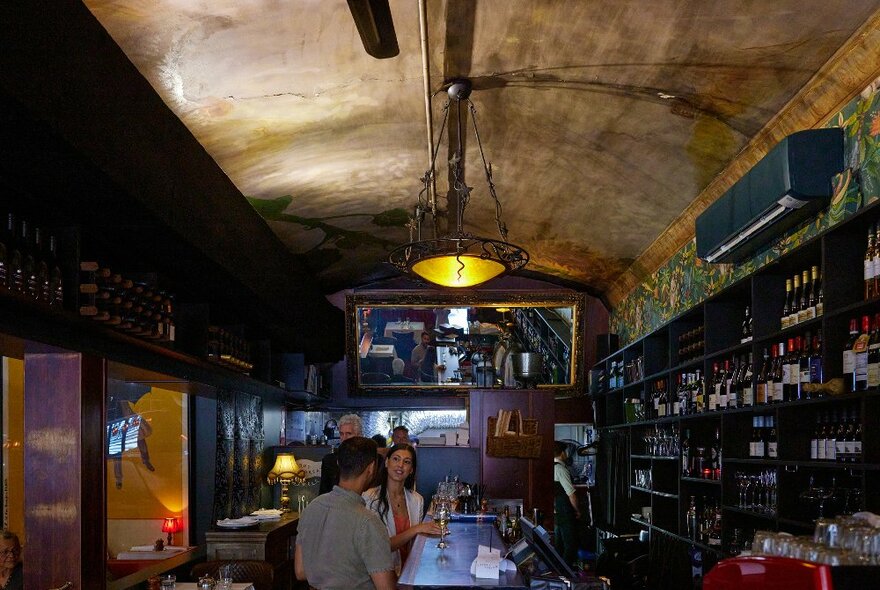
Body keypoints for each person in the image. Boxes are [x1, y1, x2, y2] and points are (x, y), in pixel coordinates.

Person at [295, 437, 396, 590]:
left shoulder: (311, 508)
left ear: (338, 464)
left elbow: (301, 572)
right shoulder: (368, 522)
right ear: (371, 468)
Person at [362, 444, 441, 574]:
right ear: (387, 462)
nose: (400, 465)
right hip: (383, 574)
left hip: (412, 570)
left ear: (411, 470)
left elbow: (417, 542)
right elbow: (380, 547)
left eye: (407, 462)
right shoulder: (370, 498)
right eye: (396, 459)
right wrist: (417, 528)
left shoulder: (417, 499)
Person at [320, 414, 363, 495]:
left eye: (349, 433)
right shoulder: (329, 461)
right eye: (341, 434)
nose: (344, 438)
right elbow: (323, 492)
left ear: (359, 435)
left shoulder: (368, 459)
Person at [553, 441, 580, 566]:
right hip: (565, 511)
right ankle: (566, 572)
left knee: (559, 545)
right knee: (570, 545)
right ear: (563, 453)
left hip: (556, 511)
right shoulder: (560, 468)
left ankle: (559, 572)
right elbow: (571, 494)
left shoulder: (552, 466)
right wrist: (577, 510)